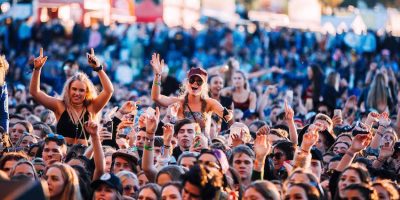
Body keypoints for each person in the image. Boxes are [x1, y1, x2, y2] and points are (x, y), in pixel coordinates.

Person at [30, 48, 113, 145]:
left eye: (81, 90)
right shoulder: (59, 105)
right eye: (74, 89)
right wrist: (37, 69)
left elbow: (109, 91)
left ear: (87, 93)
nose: (77, 93)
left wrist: (98, 68)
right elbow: (35, 92)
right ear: (68, 90)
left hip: (84, 156)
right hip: (63, 155)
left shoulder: (92, 107)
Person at [150, 53, 232, 135]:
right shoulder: (179, 102)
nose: (195, 83)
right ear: (187, 83)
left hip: (203, 145)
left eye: (199, 81)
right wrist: (157, 76)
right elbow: (156, 97)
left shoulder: (210, 103)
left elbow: (228, 116)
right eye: (192, 80)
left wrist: (229, 114)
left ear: (204, 86)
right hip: (182, 145)